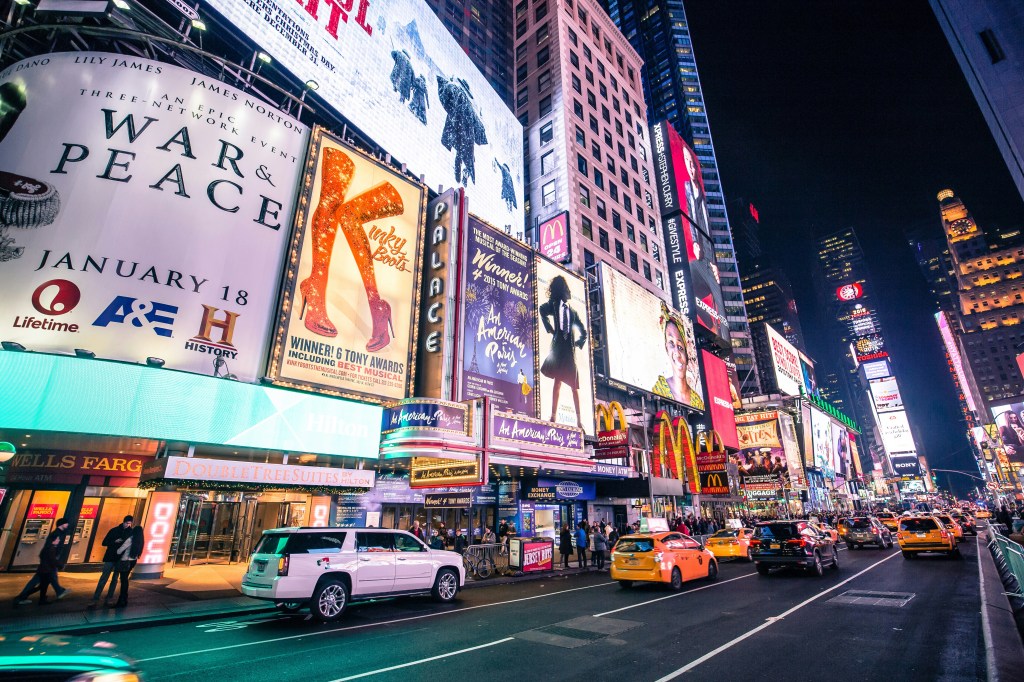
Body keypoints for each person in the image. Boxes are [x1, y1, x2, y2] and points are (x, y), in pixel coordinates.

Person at [539, 275, 589, 427]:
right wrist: (550, 328)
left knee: (574, 386)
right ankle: (553, 416)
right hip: (558, 350)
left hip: (569, 352)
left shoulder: (572, 312)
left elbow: (584, 332)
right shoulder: (553, 305)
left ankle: (579, 421)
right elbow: (541, 309)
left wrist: (577, 343)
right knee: (558, 382)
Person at [437, 76, 487, 185]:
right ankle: (462, 175)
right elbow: (479, 126)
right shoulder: (469, 105)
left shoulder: (457, 93)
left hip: (459, 130)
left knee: (461, 154)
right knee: (466, 156)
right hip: (466, 136)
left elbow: (446, 99)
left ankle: (459, 176)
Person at [13, 518, 71, 606]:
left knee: (42, 581)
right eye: (66, 523)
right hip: (48, 563)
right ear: (61, 524)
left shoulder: (58, 534)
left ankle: (53, 593)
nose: (67, 525)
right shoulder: (56, 535)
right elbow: (49, 551)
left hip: (47, 563)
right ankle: (22, 598)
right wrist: (57, 563)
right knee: (43, 581)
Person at [91, 515, 134, 606]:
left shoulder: (130, 532)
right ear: (123, 522)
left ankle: (108, 598)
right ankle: (96, 598)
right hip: (111, 557)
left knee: (114, 579)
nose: (128, 525)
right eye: (127, 523)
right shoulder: (114, 530)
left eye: (130, 523)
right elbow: (104, 542)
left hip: (119, 559)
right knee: (104, 578)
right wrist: (115, 541)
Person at [110, 521, 144, 608]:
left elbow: (119, 551)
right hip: (133, 561)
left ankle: (122, 600)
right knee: (125, 580)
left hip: (125, 561)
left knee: (123, 580)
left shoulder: (130, 539)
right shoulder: (140, 541)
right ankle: (124, 599)